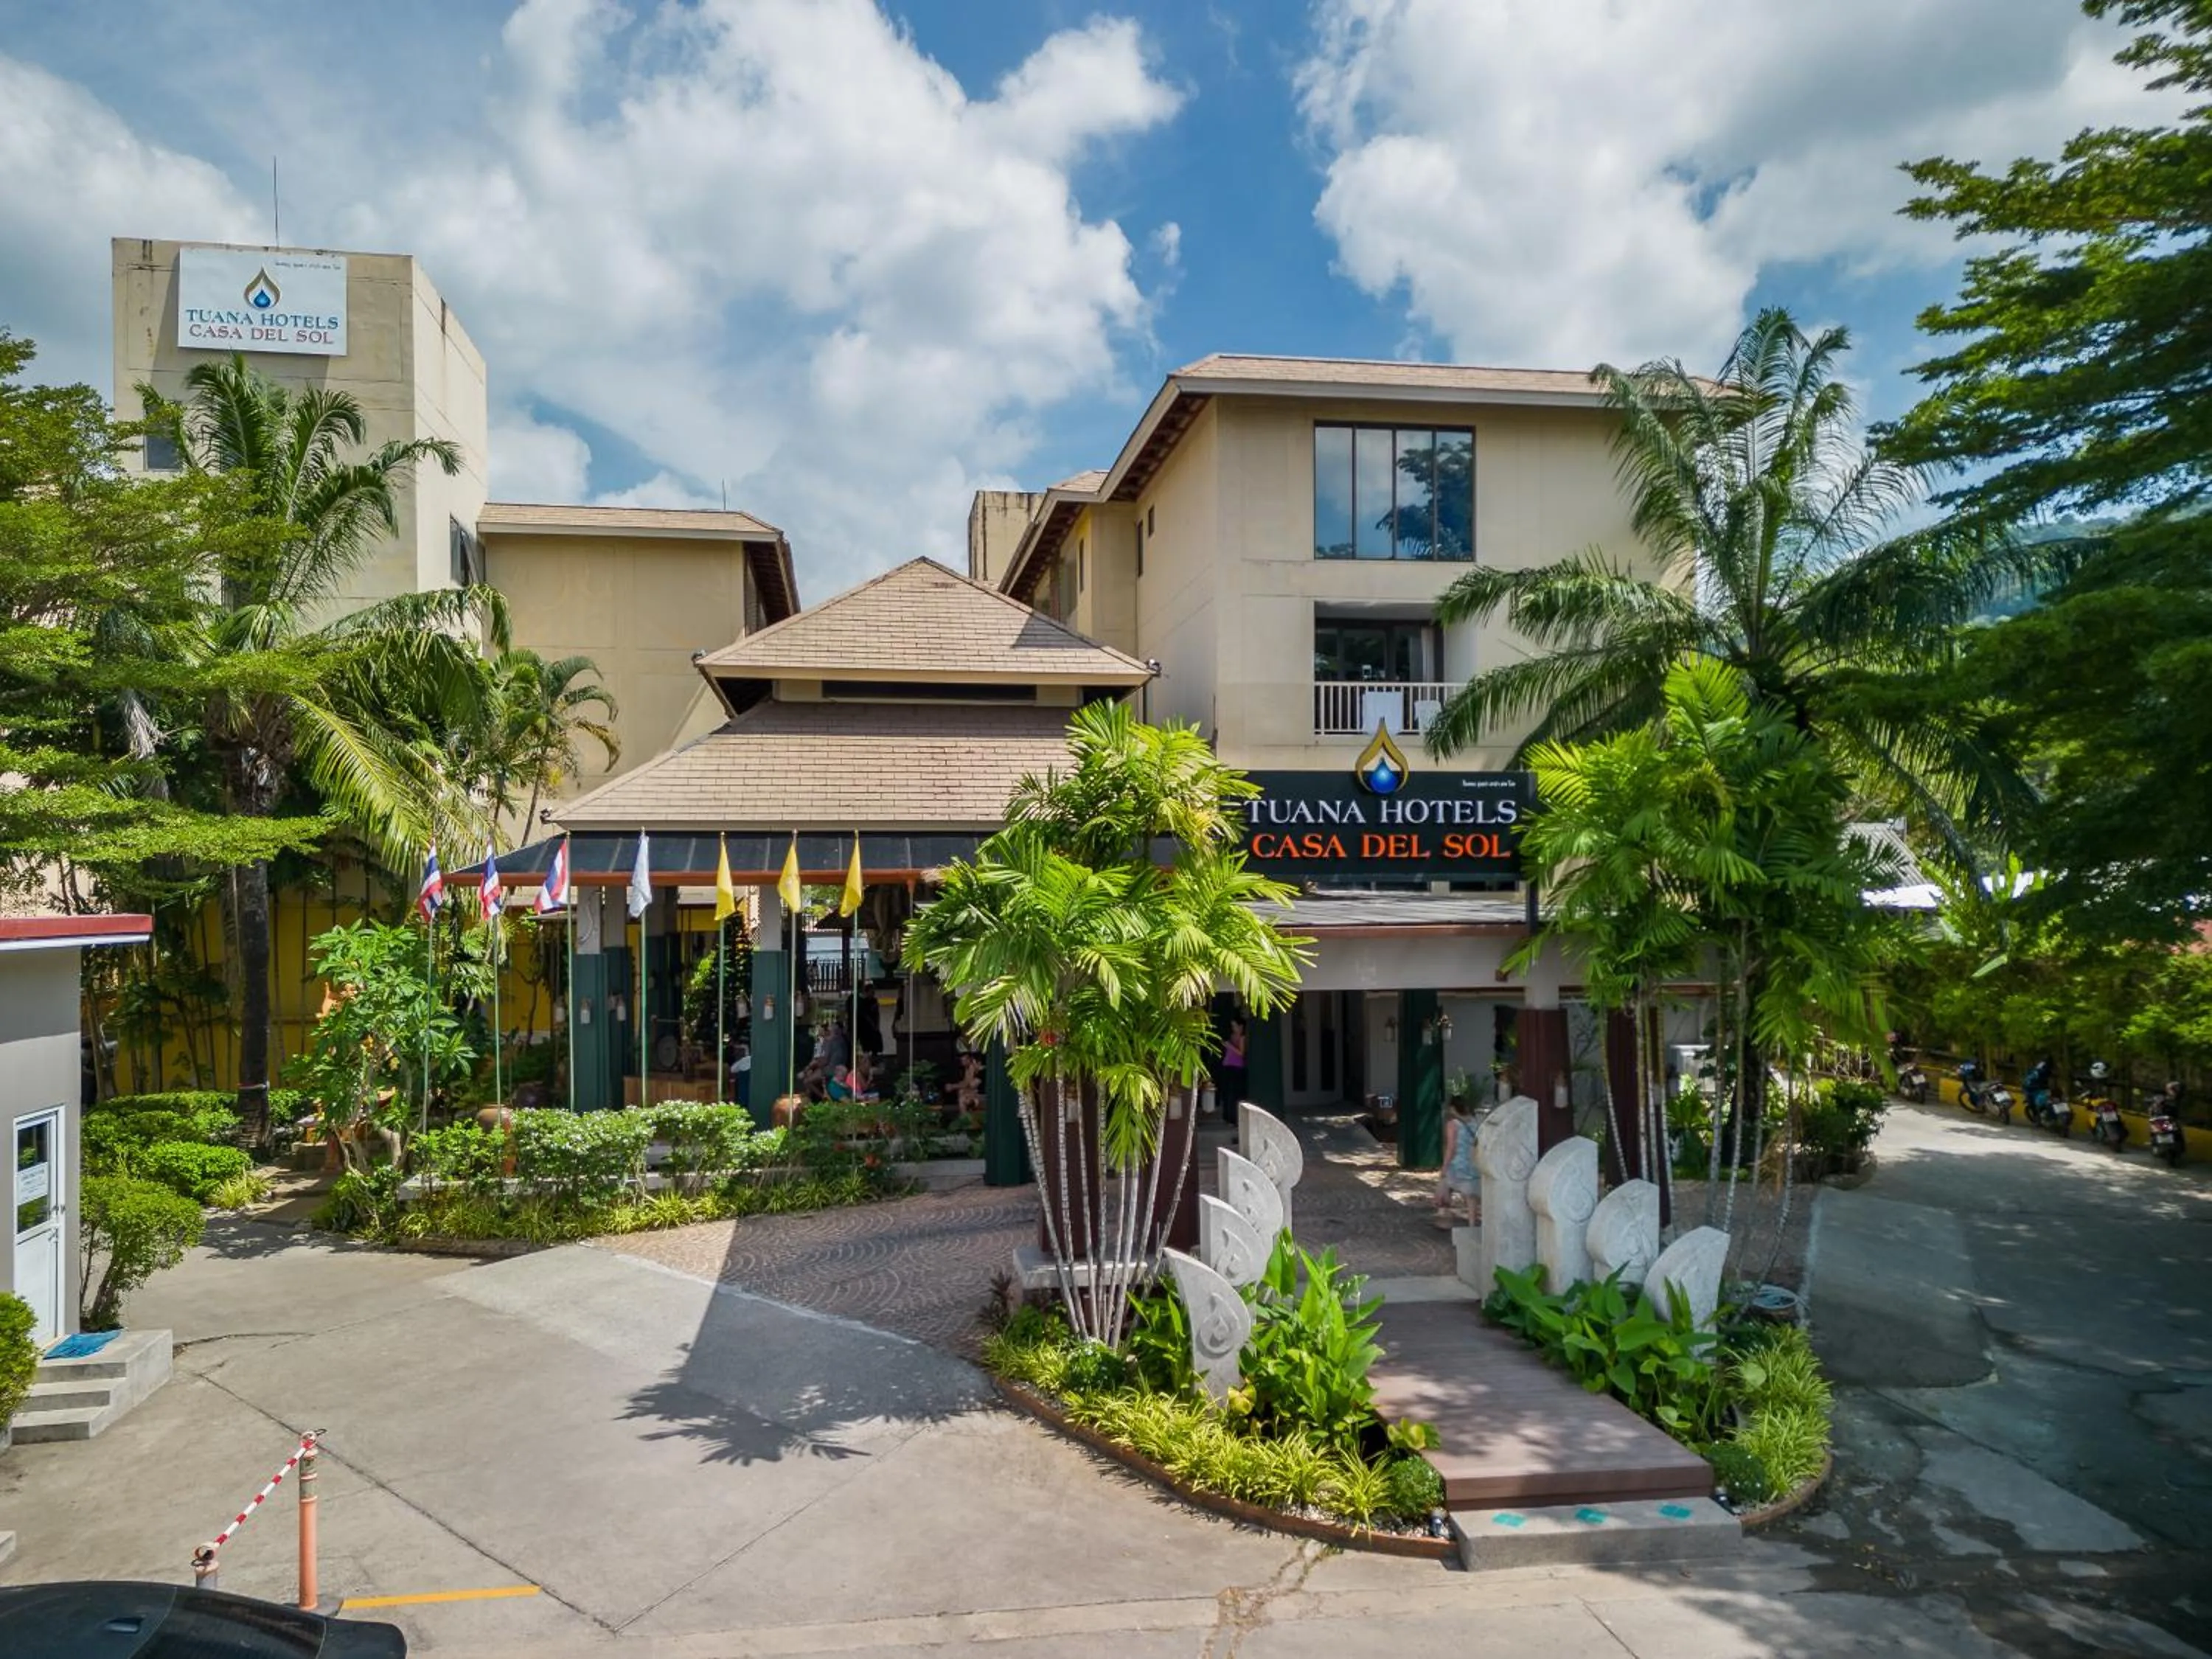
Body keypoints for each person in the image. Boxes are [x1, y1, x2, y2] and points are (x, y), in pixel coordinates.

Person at [1436, 1095, 1479, 1220]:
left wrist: (1444, 1167)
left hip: (1457, 1163)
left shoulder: (1453, 1124)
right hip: (1472, 1162)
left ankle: (1443, 1216)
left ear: (1453, 1108)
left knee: (1445, 1186)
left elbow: (1451, 1148)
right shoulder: (1474, 1121)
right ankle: (1472, 1222)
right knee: (1470, 1195)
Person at [1217, 1017, 1248, 1123]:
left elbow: (1241, 1053)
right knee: (1227, 1092)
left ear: (1241, 1027)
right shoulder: (1232, 1036)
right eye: (1232, 1026)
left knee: (1235, 1094)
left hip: (1237, 1068)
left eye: (1235, 1026)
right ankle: (1227, 1117)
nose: (1234, 1028)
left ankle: (1234, 1119)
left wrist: (1230, 1046)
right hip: (1227, 1066)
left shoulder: (1242, 1038)